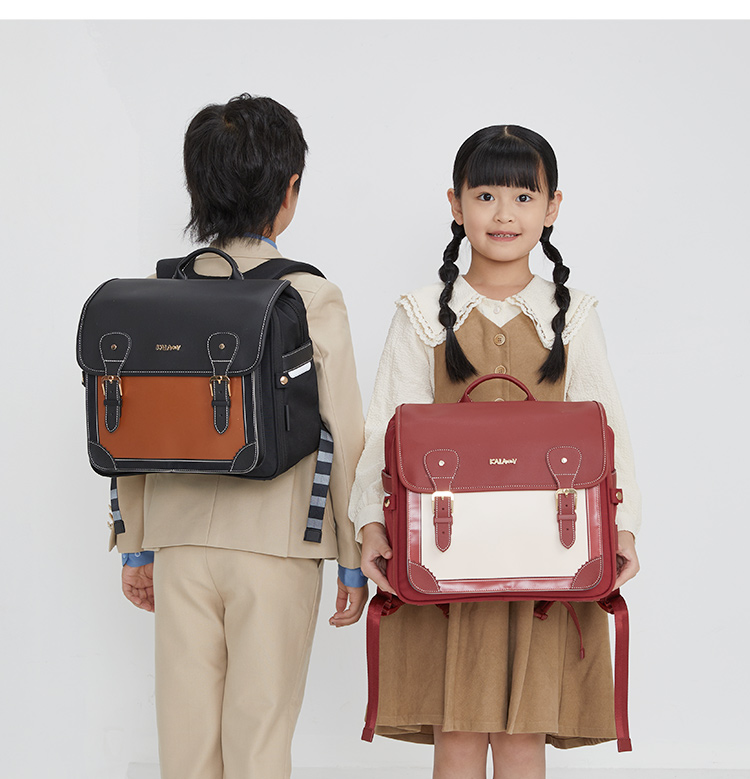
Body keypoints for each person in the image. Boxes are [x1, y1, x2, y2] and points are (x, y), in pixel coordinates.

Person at [349, 125, 641, 779]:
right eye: (485, 195)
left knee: (521, 740)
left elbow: (609, 433)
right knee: (456, 735)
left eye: (523, 195)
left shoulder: (573, 314)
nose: (504, 213)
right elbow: (382, 432)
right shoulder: (421, 313)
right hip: (442, 553)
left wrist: (622, 527)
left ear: (553, 206)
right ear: (455, 204)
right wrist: (370, 523)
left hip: (549, 556)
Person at [114, 93, 368, 779]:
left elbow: (130, 425)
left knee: (186, 742)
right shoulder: (309, 296)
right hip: (277, 545)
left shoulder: (156, 294)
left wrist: (136, 543)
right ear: (289, 190)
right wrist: (353, 556)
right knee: (259, 740)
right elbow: (345, 432)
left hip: (179, 540)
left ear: (198, 189)